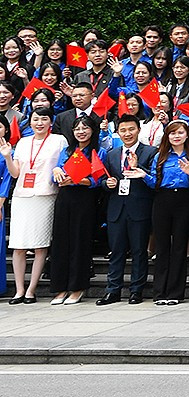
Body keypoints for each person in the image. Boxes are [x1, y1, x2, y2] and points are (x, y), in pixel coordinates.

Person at [48, 113, 108, 304]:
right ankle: (60, 288)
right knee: (61, 241)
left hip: (85, 199)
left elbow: (98, 180)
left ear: (92, 130)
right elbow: (56, 174)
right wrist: (56, 172)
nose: (81, 132)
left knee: (80, 242)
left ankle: (77, 287)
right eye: (77, 129)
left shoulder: (99, 151)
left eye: (85, 128)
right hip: (64, 198)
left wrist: (80, 180)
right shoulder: (67, 151)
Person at [100, 112, 159, 305]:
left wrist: (138, 166)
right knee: (116, 251)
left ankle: (136, 290)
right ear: (117, 132)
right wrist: (106, 183)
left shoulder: (150, 152)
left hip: (139, 208)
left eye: (131, 129)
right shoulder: (112, 154)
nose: (127, 133)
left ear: (139, 130)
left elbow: (154, 180)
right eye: (123, 130)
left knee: (139, 251)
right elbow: (103, 179)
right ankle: (113, 290)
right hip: (116, 209)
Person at [7, 107, 63, 302]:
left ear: (50, 121)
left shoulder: (58, 140)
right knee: (18, 245)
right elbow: (15, 173)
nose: (39, 123)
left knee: (40, 245)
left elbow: (63, 163)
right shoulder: (22, 142)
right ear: (30, 122)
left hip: (45, 195)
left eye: (44, 119)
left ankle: (31, 290)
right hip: (22, 196)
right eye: (36, 119)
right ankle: (19, 290)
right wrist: (7, 155)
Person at [148, 119, 189, 306]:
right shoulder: (160, 156)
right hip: (163, 199)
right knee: (162, 246)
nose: (176, 136)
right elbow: (154, 181)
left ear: (187, 135)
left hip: (185, 200)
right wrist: (142, 174)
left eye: (180, 133)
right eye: (172, 133)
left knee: (179, 246)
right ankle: (159, 292)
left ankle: (175, 292)